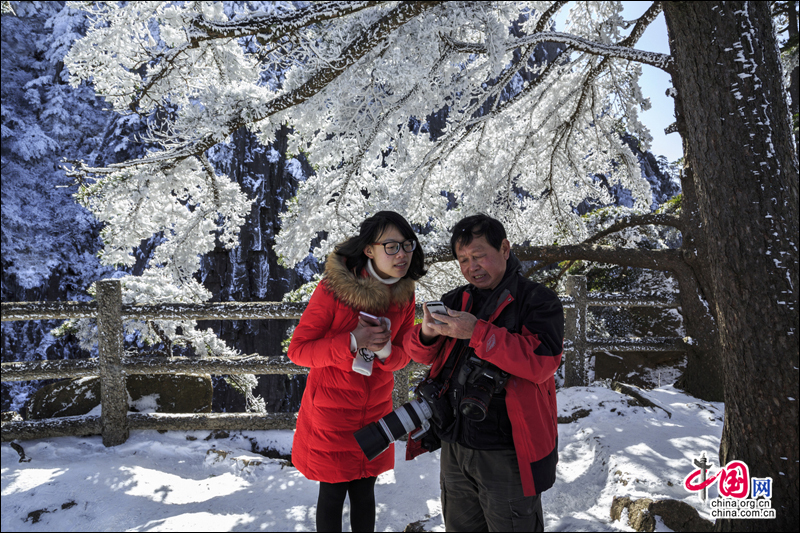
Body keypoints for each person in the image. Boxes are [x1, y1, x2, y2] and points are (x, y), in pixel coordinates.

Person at [403, 213, 564, 532]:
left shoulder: (537, 301)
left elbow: (541, 363)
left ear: (505, 248)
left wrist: (477, 332)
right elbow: (417, 352)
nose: (471, 266)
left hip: (508, 451)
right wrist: (427, 334)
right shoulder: (457, 300)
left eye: (479, 256)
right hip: (455, 445)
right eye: (462, 259)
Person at [287, 211, 426, 532]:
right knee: (333, 491)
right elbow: (299, 351)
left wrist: (385, 349)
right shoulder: (335, 290)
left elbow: (401, 359)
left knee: (365, 490)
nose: (402, 254)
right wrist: (352, 340)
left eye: (407, 245)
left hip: (376, 411)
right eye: (391, 246)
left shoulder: (404, 294)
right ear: (369, 250)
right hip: (332, 414)